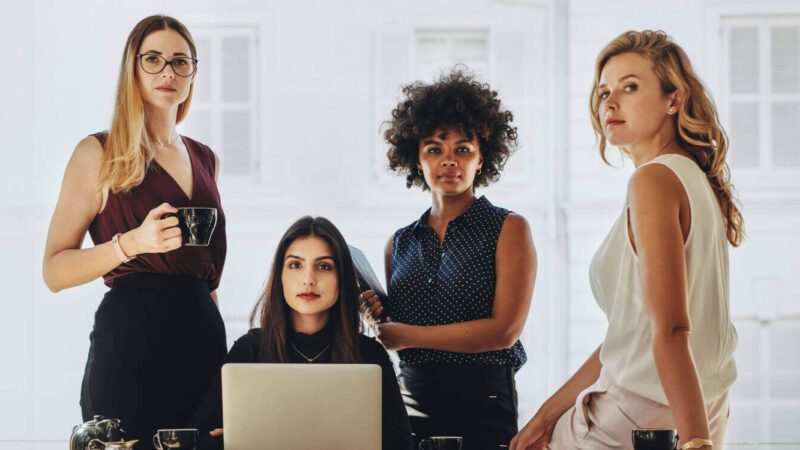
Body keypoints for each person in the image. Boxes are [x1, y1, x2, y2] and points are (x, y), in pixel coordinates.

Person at [510, 30, 742, 450]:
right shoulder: (696, 182)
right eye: (603, 92)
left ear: (674, 99)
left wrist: (695, 444)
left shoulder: (654, 180)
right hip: (703, 407)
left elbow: (672, 328)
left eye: (630, 87)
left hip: (636, 419)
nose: (609, 103)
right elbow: (632, 336)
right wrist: (547, 415)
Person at [42, 15, 227, 449]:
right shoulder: (98, 152)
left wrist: (226, 355)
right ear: (133, 68)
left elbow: (207, 274)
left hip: (202, 342)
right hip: (132, 344)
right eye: (154, 59)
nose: (168, 71)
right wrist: (132, 244)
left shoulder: (206, 158)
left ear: (193, 73)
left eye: (181, 62)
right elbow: (54, 270)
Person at [361, 68, 537, 449]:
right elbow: (402, 325)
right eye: (434, 149)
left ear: (481, 158)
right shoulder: (400, 242)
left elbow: (504, 331)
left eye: (463, 149)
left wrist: (405, 336)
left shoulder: (509, 229)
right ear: (416, 159)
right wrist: (379, 315)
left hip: (484, 401)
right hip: (411, 397)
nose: (449, 161)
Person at [190, 216, 412, 450]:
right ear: (281, 275)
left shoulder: (369, 354)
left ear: (342, 278)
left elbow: (400, 443)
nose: (308, 279)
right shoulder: (250, 349)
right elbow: (201, 435)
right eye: (295, 265)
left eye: (324, 266)